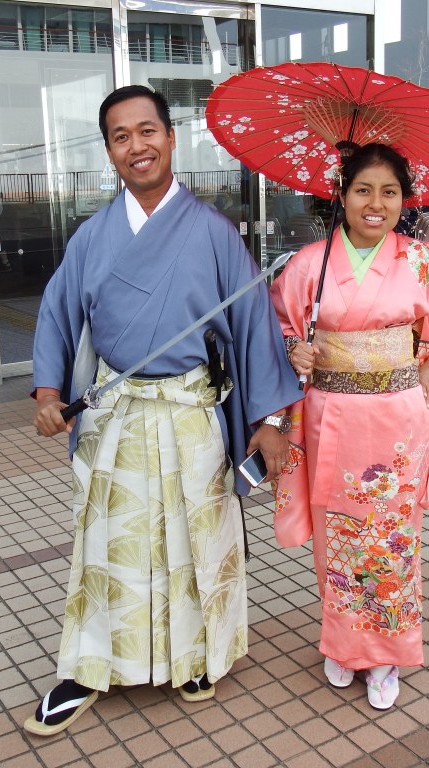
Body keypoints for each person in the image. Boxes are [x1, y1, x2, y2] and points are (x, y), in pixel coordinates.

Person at [25, 85, 302, 736]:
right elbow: (58, 314)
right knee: (108, 547)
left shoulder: (214, 234)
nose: (137, 146)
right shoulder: (92, 237)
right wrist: (48, 394)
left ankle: (197, 655)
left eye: (147, 131)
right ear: (109, 152)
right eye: (120, 136)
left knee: (195, 541)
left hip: (190, 413)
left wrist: (270, 423)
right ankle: (87, 667)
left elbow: (254, 327)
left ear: (171, 138)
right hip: (116, 414)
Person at [270, 143, 429, 711]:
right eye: (363, 190)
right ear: (342, 193)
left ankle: (386, 655)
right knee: (336, 537)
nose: (375, 203)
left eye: (389, 192)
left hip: (397, 421)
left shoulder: (421, 259)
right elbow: (279, 320)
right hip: (330, 416)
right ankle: (343, 644)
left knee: (392, 540)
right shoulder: (310, 262)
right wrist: (295, 348)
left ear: (404, 200)